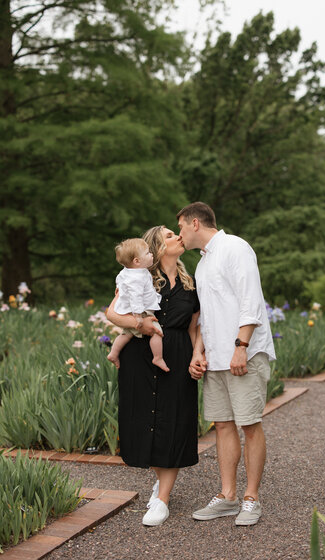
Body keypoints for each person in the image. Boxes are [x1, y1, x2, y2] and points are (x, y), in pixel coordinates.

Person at [177, 201, 276, 526]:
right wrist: (198, 352)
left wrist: (241, 346)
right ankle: (228, 496)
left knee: (249, 423)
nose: (179, 233)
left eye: (180, 226)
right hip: (216, 358)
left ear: (194, 223)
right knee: (222, 424)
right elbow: (206, 316)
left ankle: (251, 499)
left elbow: (251, 300)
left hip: (242, 353)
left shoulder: (235, 247)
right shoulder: (203, 264)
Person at [106, 226, 200, 527]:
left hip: (177, 355)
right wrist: (141, 324)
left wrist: (198, 354)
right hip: (139, 356)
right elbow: (112, 313)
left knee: (174, 420)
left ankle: (163, 498)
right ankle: (161, 481)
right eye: (171, 236)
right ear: (158, 248)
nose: (178, 237)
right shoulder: (140, 278)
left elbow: (195, 326)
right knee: (146, 420)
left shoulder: (190, 283)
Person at [107, 237, 169, 373]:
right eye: (147, 253)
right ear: (137, 261)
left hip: (127, 310)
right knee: (156, 333)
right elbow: (135, 297)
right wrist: (138, 316)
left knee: (126, 334)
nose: (151, 254)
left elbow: (120, 281)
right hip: (141, 312)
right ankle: (158, 357)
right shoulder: (137, 277)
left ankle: (114, 353)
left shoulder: (127, 272)